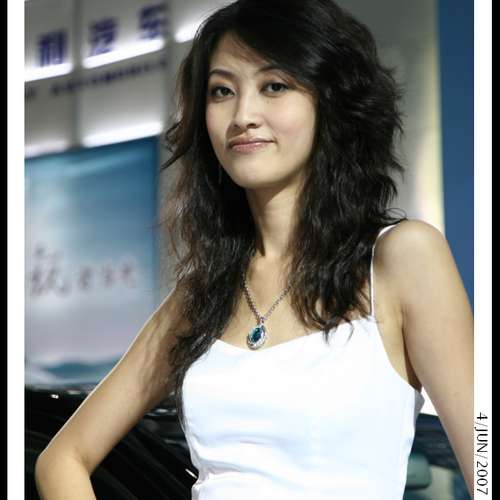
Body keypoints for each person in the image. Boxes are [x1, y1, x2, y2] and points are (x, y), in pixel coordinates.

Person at [35, 0, 474, 499]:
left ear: (330, 100)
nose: (243, 115)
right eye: (222, 91)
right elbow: (62, 459)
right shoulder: (203, 293)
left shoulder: (401, 258)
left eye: (274, 86)